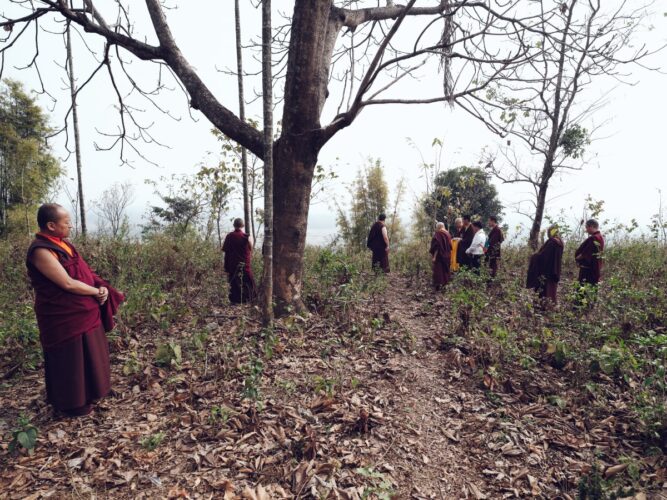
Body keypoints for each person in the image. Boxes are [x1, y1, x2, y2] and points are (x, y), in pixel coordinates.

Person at [26, 204, 124, 417]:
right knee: (70, 358)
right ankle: (73, 404)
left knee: (90, 353)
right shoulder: (41, 251)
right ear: (51, 225)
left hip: (83, 310)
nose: (70, 225)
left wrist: (102, 286)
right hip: (62, 314)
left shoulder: (64, 245)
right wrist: (96, 291)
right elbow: (67, 284)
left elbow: (84, 271)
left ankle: (94, 392)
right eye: (66, 222)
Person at [526, 225, 564, 307]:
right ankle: (550, 305)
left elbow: (543, 256)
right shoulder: (560, 242)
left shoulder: (552, 242)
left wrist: (534, 256)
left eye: (548, 232)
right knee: (552, 289)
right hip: (555, 269)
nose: (547, 234)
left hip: (546, 270)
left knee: (544, 289)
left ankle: (543, 306)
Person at [222, 218, 257, 304]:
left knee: (234, 282)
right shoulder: (246, 237)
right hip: (244, 265)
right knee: (248, 282)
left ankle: (235, 301)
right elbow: (251, 249)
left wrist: (226, 266)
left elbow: (226, 251)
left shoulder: (229, 236)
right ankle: (250, 299)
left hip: (232, 264)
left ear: (234, 225)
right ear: (243, 225)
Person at [575, 218, 605, 286]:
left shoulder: (594, 238)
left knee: (583, 290)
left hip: (588, 270)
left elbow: (585, 253)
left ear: (591, 226)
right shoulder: (600, 237)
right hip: (595, 268)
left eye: (587, 227)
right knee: (592, 288)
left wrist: (577, 258)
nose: (586, 230)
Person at [429, 222, 452, 290]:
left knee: (438, 271)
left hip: (440, 256)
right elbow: (450, 246)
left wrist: (434, 257)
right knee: (445, 270)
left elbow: (437, 247)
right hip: (447, 255)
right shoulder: (448, 234)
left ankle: (438, 286)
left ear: (438, 227)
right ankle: (445, 285)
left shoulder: (438, 234)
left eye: (436, 228)